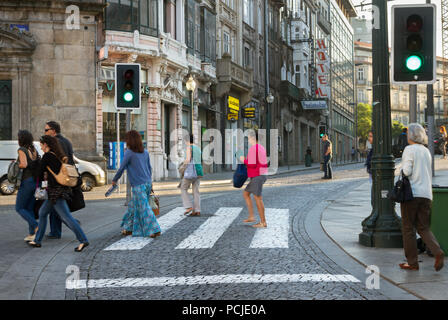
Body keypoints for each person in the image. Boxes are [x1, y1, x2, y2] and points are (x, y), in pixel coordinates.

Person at [28, 135, 89, 251]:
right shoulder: (59, 155)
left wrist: (36, 160)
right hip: (59, 191)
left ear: (46, 144)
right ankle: (37, 241)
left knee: (66, 217)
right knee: (42, 212)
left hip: (55, 193)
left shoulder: (47, 156)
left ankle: (83, 240)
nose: (40, 147)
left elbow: (39, 174)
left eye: (41, 144)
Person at [399, 123, 444, 271]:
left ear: (410, 135)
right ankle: (437, 251)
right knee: (423, 228)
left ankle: (412, 263)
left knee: (408, 229)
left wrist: (401, 169)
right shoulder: (426, 151)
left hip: (412, 194)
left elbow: (406, 171)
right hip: (426, 195)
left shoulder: (409, 149)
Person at [112, 130, 161, 238]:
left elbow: (122, 168)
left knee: (144, 208)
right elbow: (149, 168)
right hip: (147, 183)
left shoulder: (129, 153)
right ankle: (129, 228)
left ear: (129, 141)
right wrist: (150, 182)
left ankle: (154, 229)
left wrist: (115, 179)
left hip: (138, 186)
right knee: (133, 207)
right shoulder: (145, 152)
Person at [44, 121, 77, 239]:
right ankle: (58, 229)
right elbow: (71, 160)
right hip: (67, 177)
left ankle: (61, 229)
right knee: (56, 206)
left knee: (56, 206)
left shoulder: (55, 142)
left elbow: (57, 160)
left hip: (58, 178)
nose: (45, 132)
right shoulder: (67, 141)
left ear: (53, 130)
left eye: (46, 130)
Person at [239, 130, 268, 228]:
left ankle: (263, 222)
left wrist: (243, 159)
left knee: (258, 198)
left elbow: (251, 163)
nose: (248, 141)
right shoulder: (261, 147)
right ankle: (251, 216)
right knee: (246, 193)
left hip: (257, 175)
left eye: (249, 138)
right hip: (260, 175)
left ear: (253, 138)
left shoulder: (254, 148)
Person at [15, 130, 40, 242]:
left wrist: (16, 164)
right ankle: (32, 234)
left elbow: (24, 164)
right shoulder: (33, 149)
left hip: (26, 181)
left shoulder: (22, 150)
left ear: (21, 139)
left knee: (19, 207)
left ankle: (36, 226)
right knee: (29, 208)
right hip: (35, 181)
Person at [180, 134, 203, 216]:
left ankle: (188, 206)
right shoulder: (198, 148)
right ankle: (197, 210)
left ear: (187, 141)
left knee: (183, 188)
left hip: (190, 172)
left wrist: (182, 168)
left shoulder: (189, 148)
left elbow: (187, 160)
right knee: (196, 191)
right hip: (198, 171)